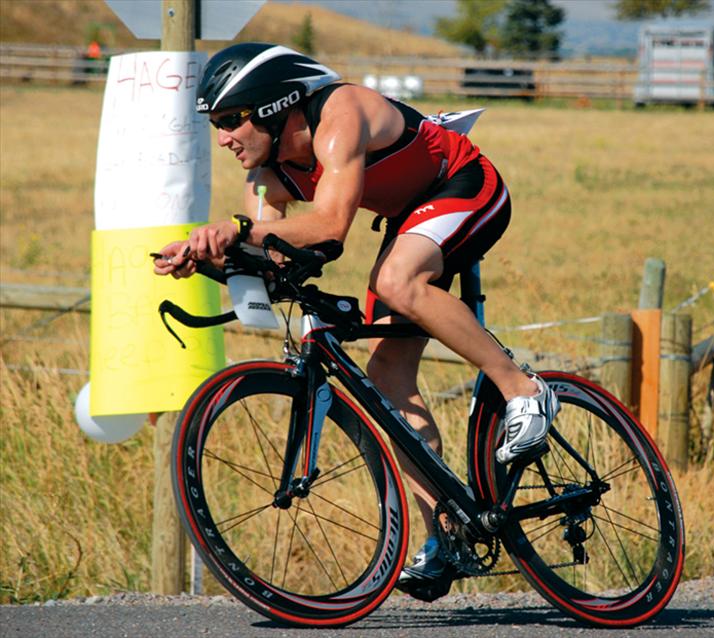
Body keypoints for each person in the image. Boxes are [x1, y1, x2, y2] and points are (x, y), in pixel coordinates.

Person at [153, 43, 559, 600]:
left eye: (230, 120)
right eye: (215, 125)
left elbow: (329, 228)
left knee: (397, 283)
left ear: (273, 107)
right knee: (388, 377)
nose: (223, 137)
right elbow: (276, 253)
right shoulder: (266, 174)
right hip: (409, 219)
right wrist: (210, 259)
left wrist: (235, 231)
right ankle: (447, 535)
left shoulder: (339, 117)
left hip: (463, 185)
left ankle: (524, 391)